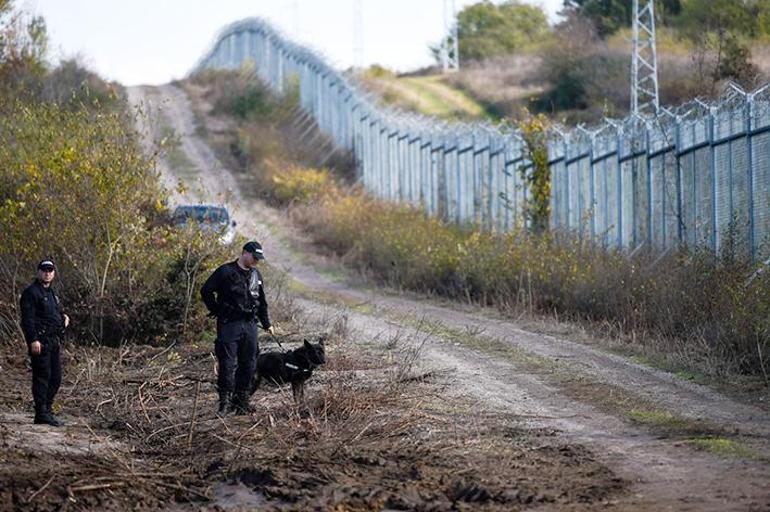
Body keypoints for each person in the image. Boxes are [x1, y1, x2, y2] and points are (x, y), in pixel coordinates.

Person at [201, 241, 274, 414]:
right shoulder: (225, 272)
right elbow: (206, 290)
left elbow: (261, 303)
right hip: (229, 324)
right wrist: (217, 310)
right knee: (227, 364)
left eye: (258, 259)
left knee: (249, 364)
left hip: (250, 325)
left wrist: (267, 323)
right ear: (244, 253)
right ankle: (224, 403)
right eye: (254, 257)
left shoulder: (257, 276)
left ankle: (241, 401)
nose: (256, 261)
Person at [19, 259, 70, 426]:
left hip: (53, 341)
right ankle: (41, 413)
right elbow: (27, 319)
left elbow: (55, 314)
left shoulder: (52, 293)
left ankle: (47, 409)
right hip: (40, 342)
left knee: (56, 378)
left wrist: (64, 318)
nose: (47, 273)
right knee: (42, 377)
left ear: (54, 273)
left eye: (50, 270)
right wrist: (32, 339)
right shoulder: (31, 293)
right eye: (44, 270)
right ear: (38, 271)